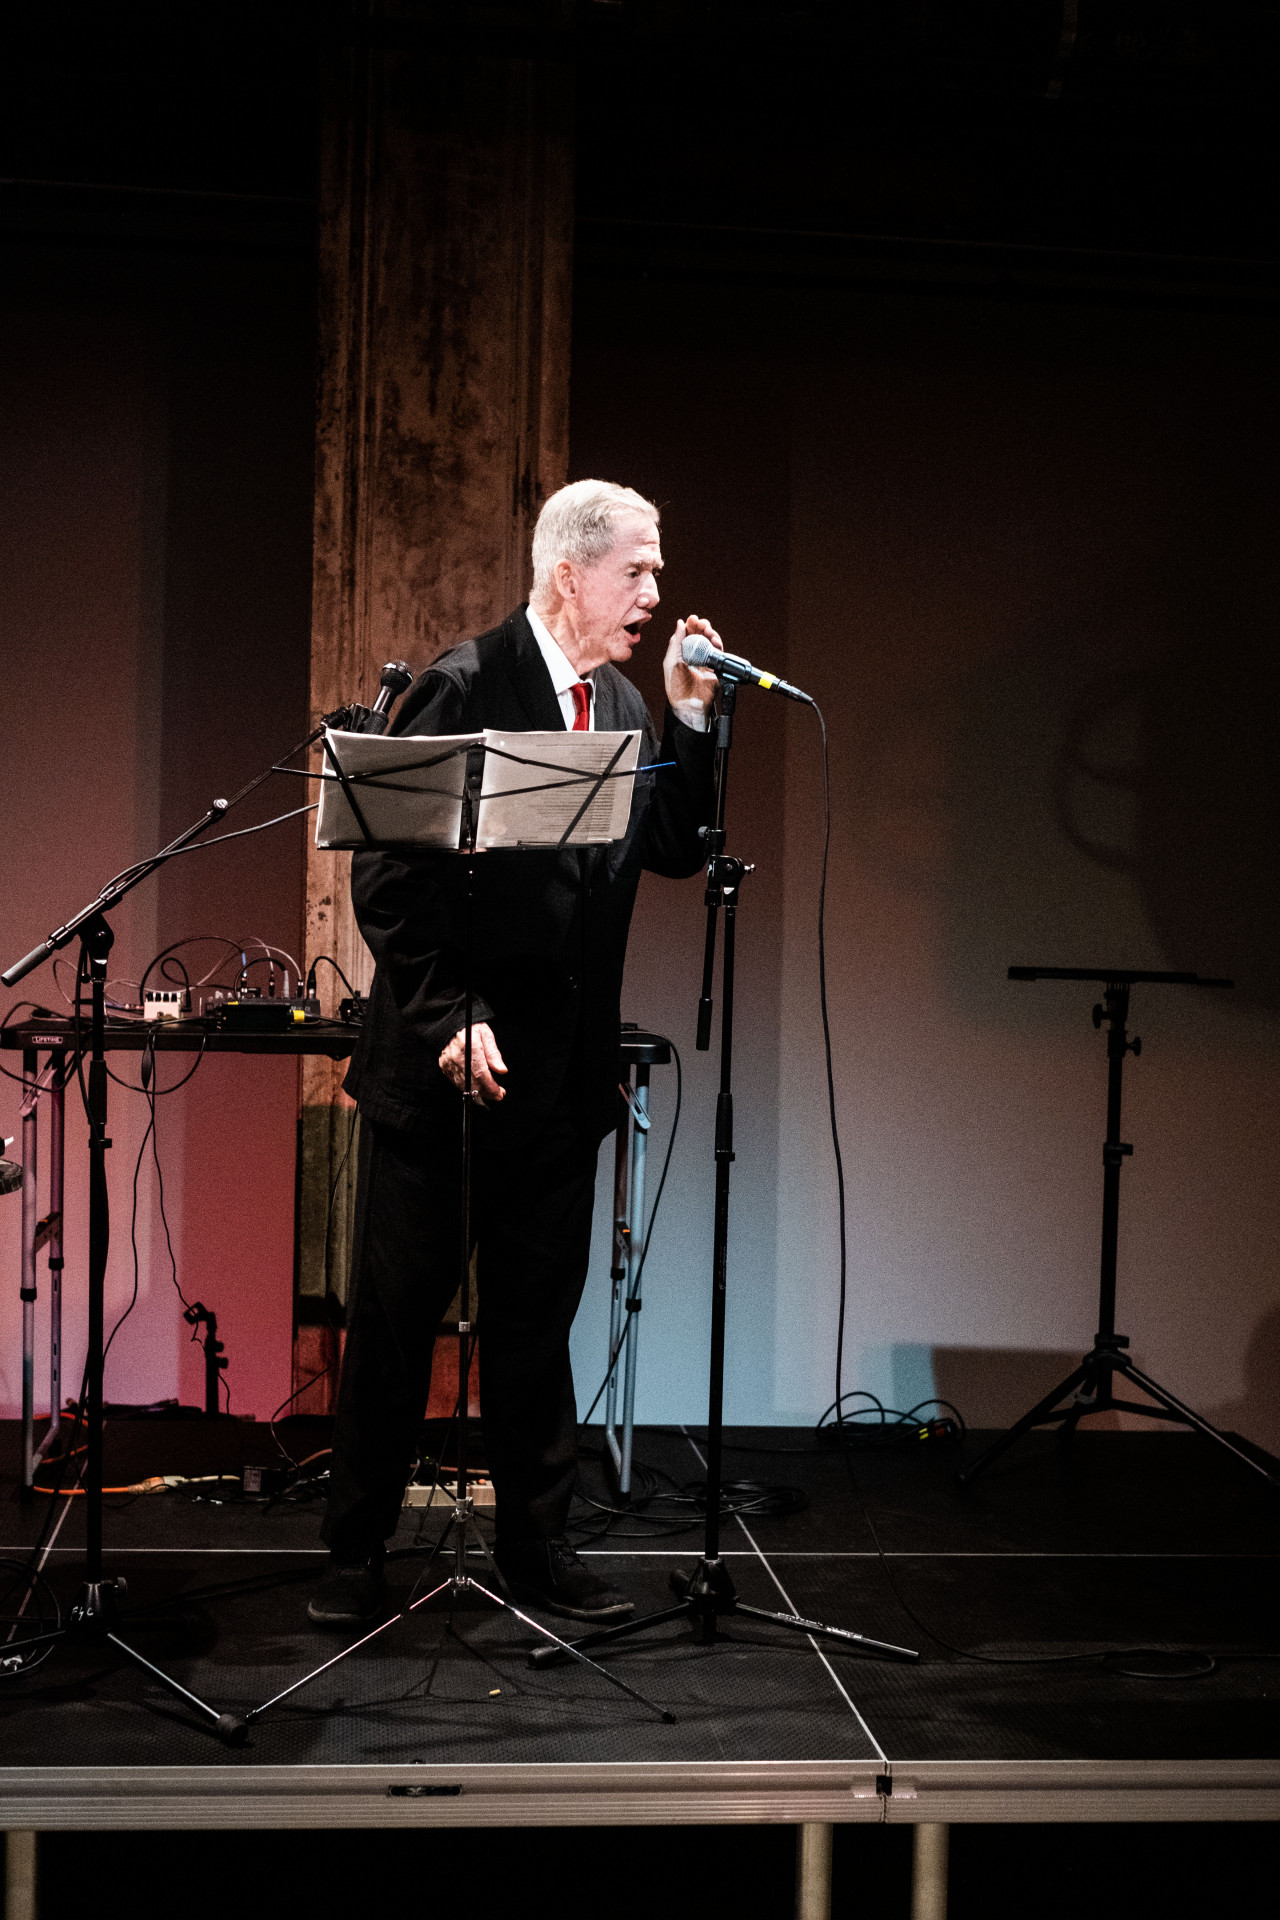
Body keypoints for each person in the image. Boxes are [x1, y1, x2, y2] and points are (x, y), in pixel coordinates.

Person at [309, 479, 722, 1625]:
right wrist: (449, 1017)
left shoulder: (629, 709)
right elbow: (389, 879)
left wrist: (689, 721)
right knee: (396, 1330)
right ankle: (354, 1557)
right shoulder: (463, 686)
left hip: (557, 1081)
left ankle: (538, 1554)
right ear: (567, 575)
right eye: (634, 570)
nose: (652, 592)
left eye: (652, 568)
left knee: (536, 1328)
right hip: (445, 1075)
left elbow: (680, 851)